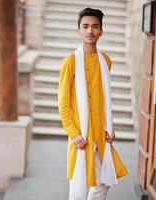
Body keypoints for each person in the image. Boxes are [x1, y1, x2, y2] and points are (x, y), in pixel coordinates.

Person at [58, 8, 128, 200]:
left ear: (101, 31)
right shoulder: (70, 62)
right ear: (78, 30)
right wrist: (73, 133)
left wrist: (109, 126)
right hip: (81, 135)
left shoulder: (105, 61)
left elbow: (105, 98)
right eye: (86, 26)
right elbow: (63, 103)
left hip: (101, 134)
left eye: (95, 27)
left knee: (105, 180)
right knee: (78, 183)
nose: (90, 31)